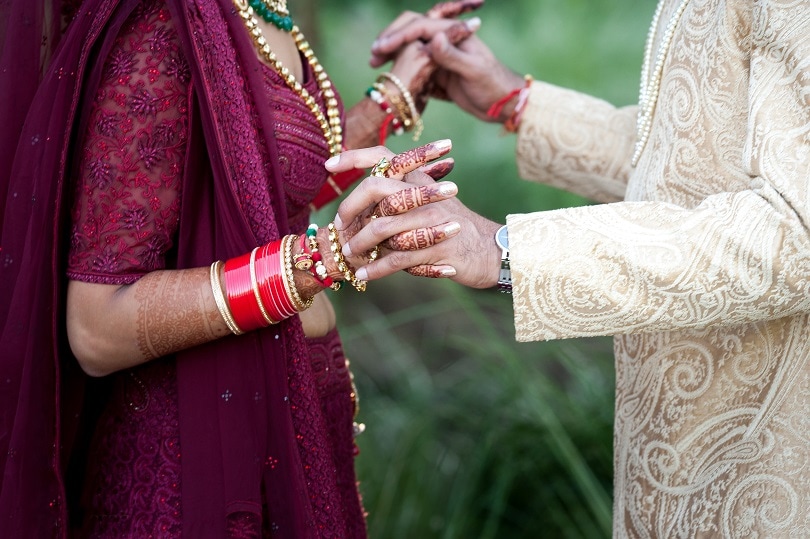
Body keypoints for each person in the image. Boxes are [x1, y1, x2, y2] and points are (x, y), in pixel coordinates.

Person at [328, 1, 810, 536]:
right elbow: (694, 157)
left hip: (771, 449)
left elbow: (797, 234)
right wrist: (518, 103)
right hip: (687, 430)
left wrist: (504, 250)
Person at [0, 0, 479, 536]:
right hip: (194, 465)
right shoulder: (162, 28)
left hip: (292, 416)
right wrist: (319, 263)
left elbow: (260, 191)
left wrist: (394, 95)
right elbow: (96, 325)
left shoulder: (260, 9)